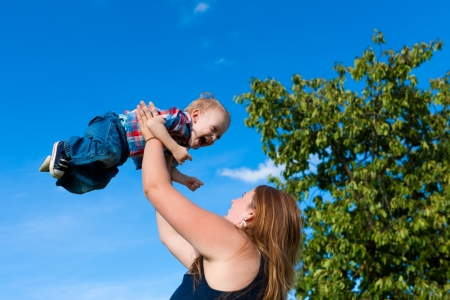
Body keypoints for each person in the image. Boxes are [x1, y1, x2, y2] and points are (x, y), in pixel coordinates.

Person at [137, 101, 302, 300]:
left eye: (243, 197)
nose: (233, 201)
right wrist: (167, 157)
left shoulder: (236, 245)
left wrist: (152, 137)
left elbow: (155, 188)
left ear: (251, 214)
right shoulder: (259, 273)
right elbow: (169, 235)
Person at [39, 92, 230, 194]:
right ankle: (66, 148)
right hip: (115, 128)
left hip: (122, 151)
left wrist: (184, 179)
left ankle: (65, 167)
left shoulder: (181, 145)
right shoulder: (181, 121)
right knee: (107, 152)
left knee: (100, 179)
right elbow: (153, 123)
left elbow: (166, 169)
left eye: (218, 137)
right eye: (213, 130)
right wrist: (174, 147)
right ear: (196, 116)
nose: (213, 138)